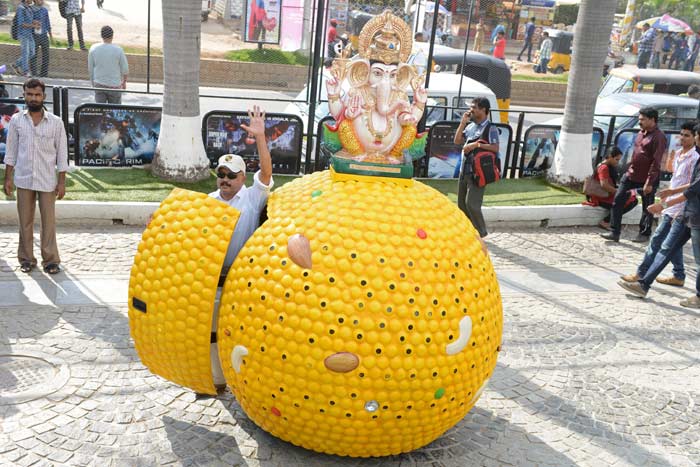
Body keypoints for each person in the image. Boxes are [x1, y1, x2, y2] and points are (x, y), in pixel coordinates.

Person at [617, 122, 700, 308]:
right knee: (666, 247)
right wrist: (670, 194)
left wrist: (664, 204)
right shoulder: (685, 156)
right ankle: (644, 283)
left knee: (696, 258)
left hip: (691, 214)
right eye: (684, 135)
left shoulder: (696, 157)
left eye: (692, 135)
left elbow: (694, 188)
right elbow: (692, 184)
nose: (690, 138)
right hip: (686, 212)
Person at [2, 78, 68, 275]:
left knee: (49, 222)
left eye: (37, 95)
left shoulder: (56, 123)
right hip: (23, 179)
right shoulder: (16, 121)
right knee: (25, 221)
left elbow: (62, 154)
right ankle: (26, 259)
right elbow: (11, 151)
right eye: (29, 94)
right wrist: (8, 178)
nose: (33, 98)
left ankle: (51, 261)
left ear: (44, 97)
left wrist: (62, 181)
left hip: (47, 180)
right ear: (24, 95)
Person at [209, 106, 273, 279]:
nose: (225, 179)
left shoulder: (252, 197)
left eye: (231, 175)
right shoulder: (208, 201)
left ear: (243, 178)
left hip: (242, 275)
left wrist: (260, 136)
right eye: (221, 174)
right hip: (209, 273)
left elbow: (266, 173)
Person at [601, 107, 666, 243]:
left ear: (652, 120)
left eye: (642, 119)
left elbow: (656, 161)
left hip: (647, 178)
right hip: (631, 174)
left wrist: (649, 182)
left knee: (647, 207)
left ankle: (644, 233)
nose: (639, 122)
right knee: (618, 200)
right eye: (639, 119)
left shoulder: (659, 137)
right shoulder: (640, 133)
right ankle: (614, 231)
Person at [453, 97, 500, 238]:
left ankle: (481, 232)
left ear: (483, 110)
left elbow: (495, 147)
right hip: (464, 170)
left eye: (474, 107)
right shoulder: (471, 126)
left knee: (472, 204)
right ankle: (469, 230)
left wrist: (476, 145)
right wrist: (462, 123)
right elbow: (457, 141)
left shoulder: (491, 128)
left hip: (479, 172)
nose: (471, 110)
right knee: (461, 204)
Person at [584, 147, 638, 231]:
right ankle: (606, 221)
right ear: (609, 156)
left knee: (631, 197)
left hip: (606, 195)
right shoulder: (604, 168)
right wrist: (618, 192)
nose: (618, 162)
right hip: (601, 197)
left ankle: (608, 221)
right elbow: (604, 185)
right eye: (616, 159)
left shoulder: (605, 165)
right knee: (631, 201)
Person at [88, 26, 129, 104]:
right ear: (112, 36)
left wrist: (93, 83)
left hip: (99, 84)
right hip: (114, 86)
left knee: (100, 110)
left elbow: (90, 68)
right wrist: (124, 82)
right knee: (114, 111)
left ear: (101, 35)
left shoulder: (93, 48)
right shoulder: (118, 49)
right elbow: (125, 69)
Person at [11, 0, 37, 77]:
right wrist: (33, 26)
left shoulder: (29, 8)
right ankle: (25, 71)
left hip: (29, 34)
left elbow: (29, 20)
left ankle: (16, 64)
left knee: (32, 53)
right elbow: (21, 23)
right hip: (23, 34)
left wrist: (35, 22)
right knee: (25, 53)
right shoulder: (21, 8)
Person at [30, 0, 52, 78]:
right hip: (33, 35)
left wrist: (50, 34)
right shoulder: (30, 9)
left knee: (46, 55)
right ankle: (34, 73)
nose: (42, 1)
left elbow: (47, 22)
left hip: (43, 35)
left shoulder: (44, 10)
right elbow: (27, 20)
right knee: (33, 55)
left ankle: (44, 74)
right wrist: (34, 22)